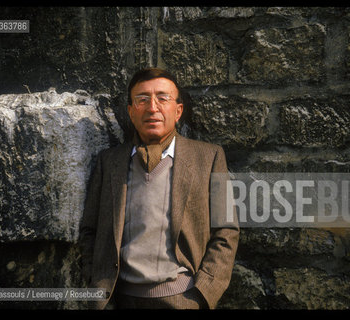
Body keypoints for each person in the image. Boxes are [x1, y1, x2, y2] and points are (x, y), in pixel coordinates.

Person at [79, 67, 239, 309]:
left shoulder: (209, 158)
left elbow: (226, 229)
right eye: (142, 99)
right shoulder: (109, 162)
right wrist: (97, 282)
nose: (152, 107)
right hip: (119, 299)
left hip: (184, 298)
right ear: (131, 112)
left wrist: (205, 292)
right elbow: (90, 230)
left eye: (162, 98)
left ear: (178, 110)